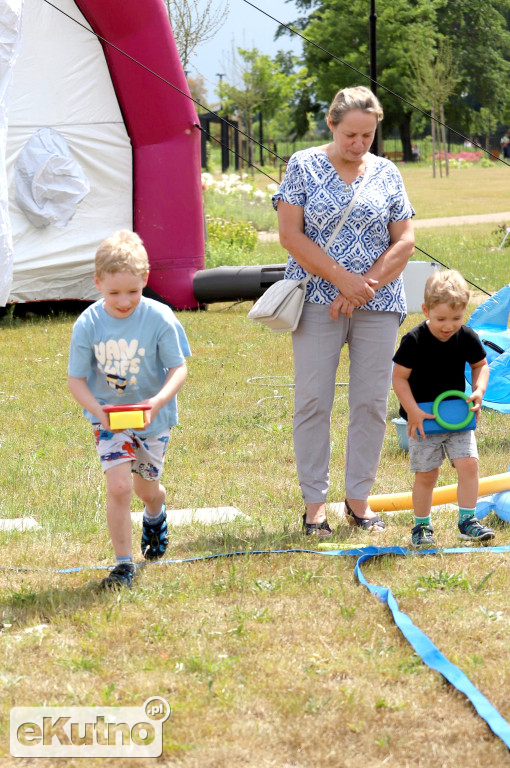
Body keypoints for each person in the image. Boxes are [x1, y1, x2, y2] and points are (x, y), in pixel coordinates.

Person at [272, 85, 415, 536]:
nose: (358, 145)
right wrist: (341, 280)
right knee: (313, 400)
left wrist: (363, 287)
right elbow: (290, 236)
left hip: (379, 301)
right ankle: (315, 506)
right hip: (316, 299)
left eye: (367, 137)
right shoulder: (303, 165)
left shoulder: (388, 173)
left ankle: (359, 501)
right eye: (351, 134)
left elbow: (405, 240)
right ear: (331, 125)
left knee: (371, 403)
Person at [68, 230, 191, 588]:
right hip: (108, 419)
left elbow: (178, 368)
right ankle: (123, 565)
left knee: (144, 488)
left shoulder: (160, 317)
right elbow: (76, 380)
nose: (124, 301)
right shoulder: (88, 325)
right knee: (120, 487)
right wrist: (98, 410)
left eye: (133, 292)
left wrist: (156, 403)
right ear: (97, 283)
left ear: (145, 280)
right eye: (113, 293)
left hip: (154, 420)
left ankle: (156, 509)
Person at [392, 269, 494, 548]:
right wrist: (411, 410)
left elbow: (480, 365)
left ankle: (467, 522)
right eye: (440, 319)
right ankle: (421, 526)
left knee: (469, 465)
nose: (449, 326)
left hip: (456, 417)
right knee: (427, 474)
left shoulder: (467, 336)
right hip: (423, 419)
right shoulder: (414, 340)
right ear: (425, 310)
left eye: (456, 318)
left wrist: (478, 390)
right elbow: (399, 378)